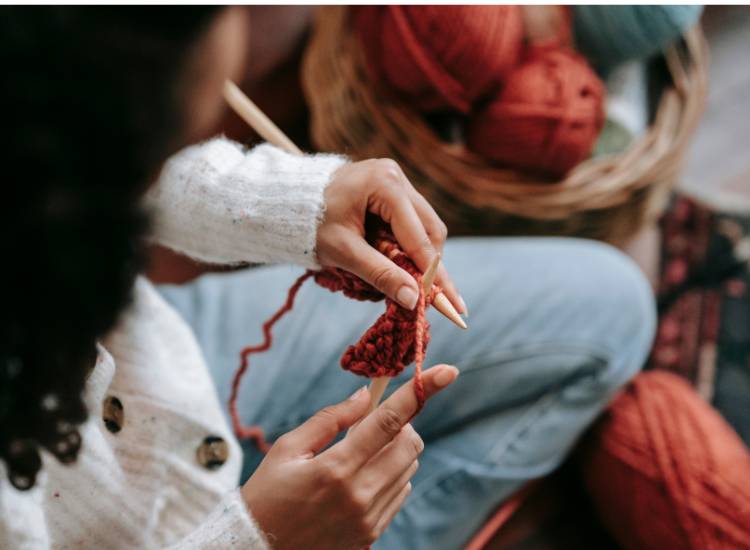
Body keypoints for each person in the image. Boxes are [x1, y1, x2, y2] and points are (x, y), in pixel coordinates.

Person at [0, 7, 656, 549]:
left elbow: (105, 158)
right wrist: (259, 538)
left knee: (612, 305)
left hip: (161, 371)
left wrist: (303, 204)